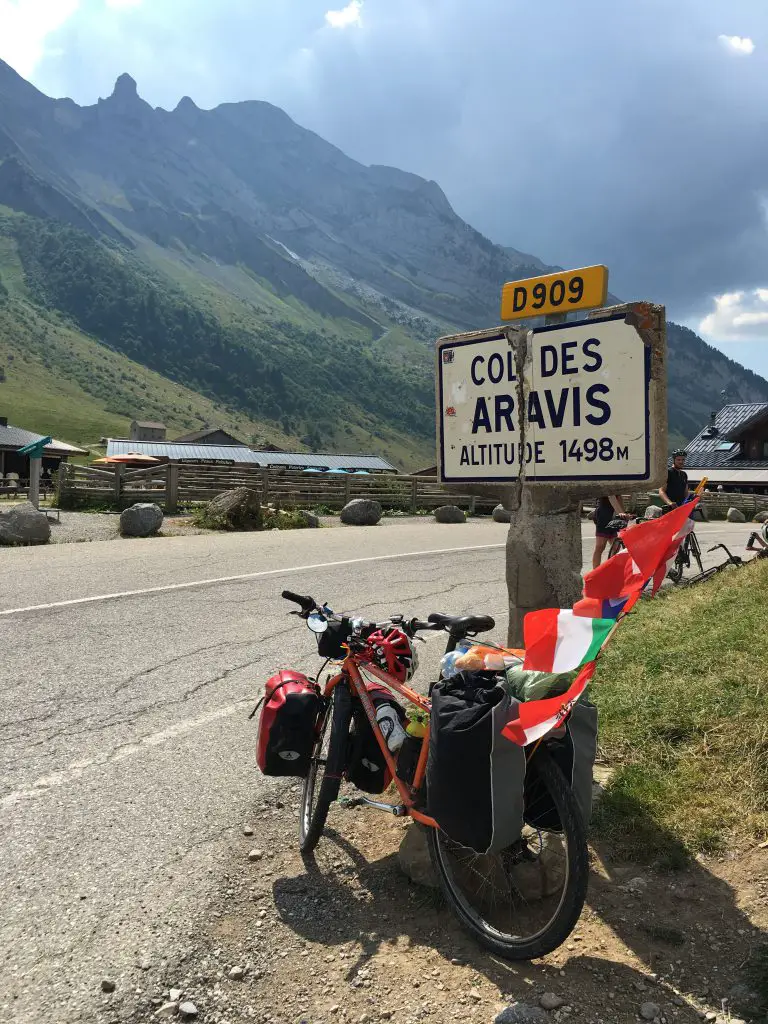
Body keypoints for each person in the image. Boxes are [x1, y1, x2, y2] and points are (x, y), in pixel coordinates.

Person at [592, 495, 630, 569]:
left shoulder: (618, 485)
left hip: (612, 517)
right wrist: (620, 512)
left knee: (616, 547)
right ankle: (595, 572)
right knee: (600, 546)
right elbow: (611, 496)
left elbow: (619, 497)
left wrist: (624, 513)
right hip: (603, 515)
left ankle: (609, 568)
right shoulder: (609, 484)